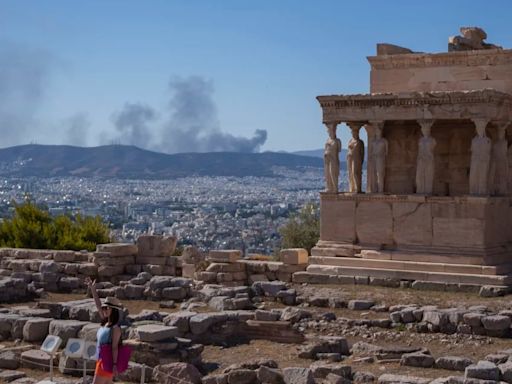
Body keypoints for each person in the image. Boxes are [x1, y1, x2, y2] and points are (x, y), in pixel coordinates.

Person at [85, 277, 123, 384]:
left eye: (107, 308)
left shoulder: (115, 328)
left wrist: (115, 365)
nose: (104, 309)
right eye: (104, 308)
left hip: (107, 362)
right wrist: (92, 289)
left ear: (113, 310)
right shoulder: (105, 322)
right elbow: (98, 305)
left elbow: (115, 347)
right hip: (101, 360)